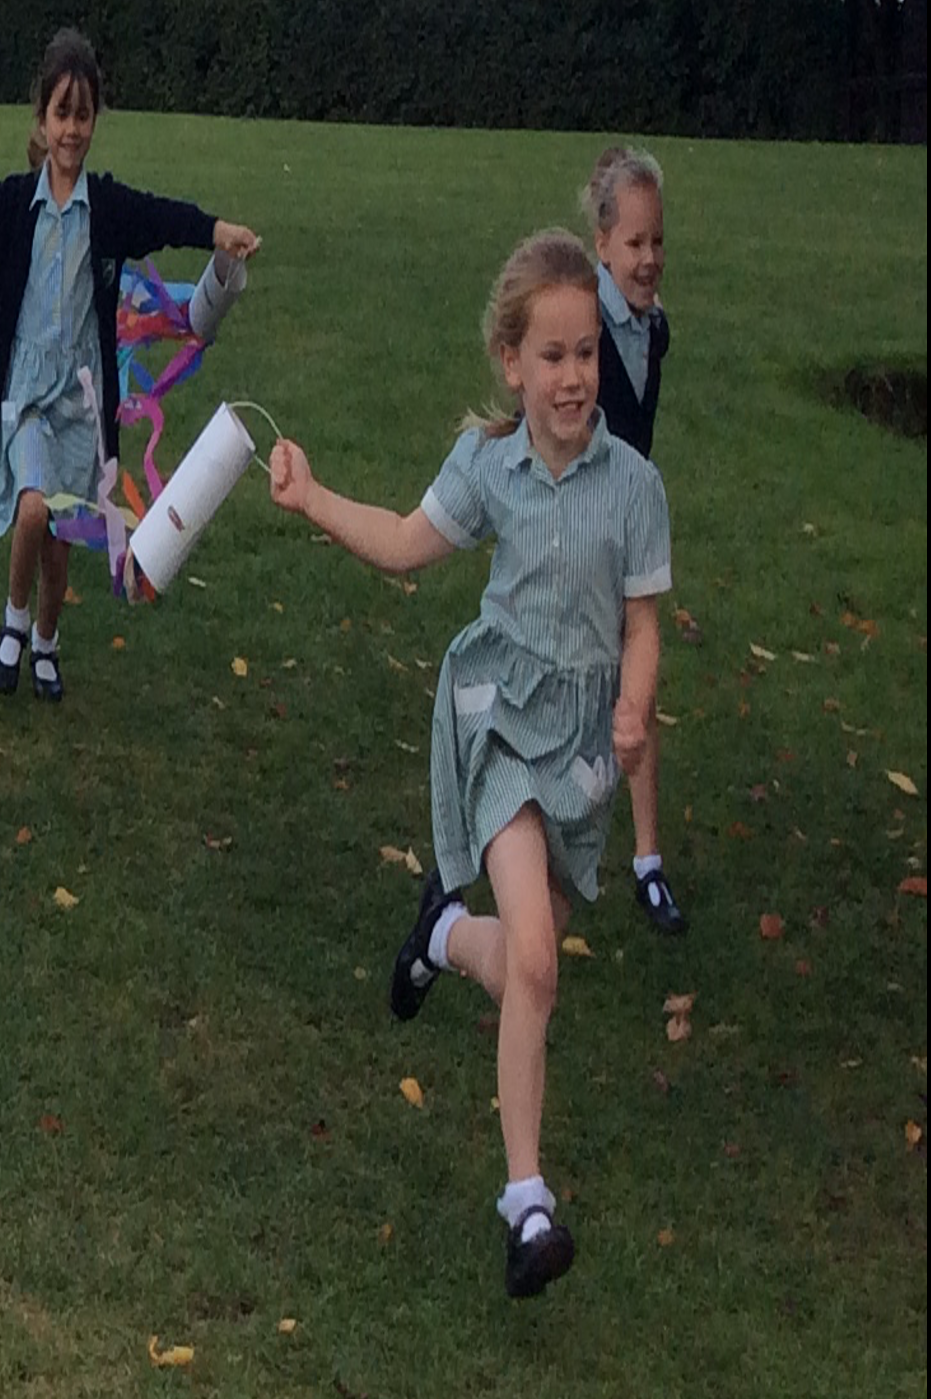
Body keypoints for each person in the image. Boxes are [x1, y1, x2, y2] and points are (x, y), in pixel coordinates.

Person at [266, 229, 669, 1299]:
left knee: (528, 966)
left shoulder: (635, 487)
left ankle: (440, 934)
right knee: (537, 955)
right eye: (552, 356)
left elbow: (642, 624)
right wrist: (312, 497)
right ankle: (525, 1203)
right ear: (511, 362)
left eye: (586, 353)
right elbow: (406, 543)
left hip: (581, 749)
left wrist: (633, 707)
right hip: (495, 722)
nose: (573, 376)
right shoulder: (489, 467)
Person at [0, 31, 256, 701]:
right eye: (61, 114)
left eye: (83, 116)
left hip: (82, 401)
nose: (72, 130)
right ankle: (13, 620)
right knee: (32, 508)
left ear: (94, 122)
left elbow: (160, 216)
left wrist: (216, 231)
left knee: (61, 541)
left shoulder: (106, 209)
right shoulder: (13, 205)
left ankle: (47, 642)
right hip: (27, 392)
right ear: (41, 119)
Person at [583, 144, 682, 933]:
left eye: (656, 242)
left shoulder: (655, 330)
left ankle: (647, 862)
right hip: (576, 534)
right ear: (601, 245)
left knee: (637, 691)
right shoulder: (580, 323)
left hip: (631, 535)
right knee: (565, 690)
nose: (647, 258)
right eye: (633, 243)